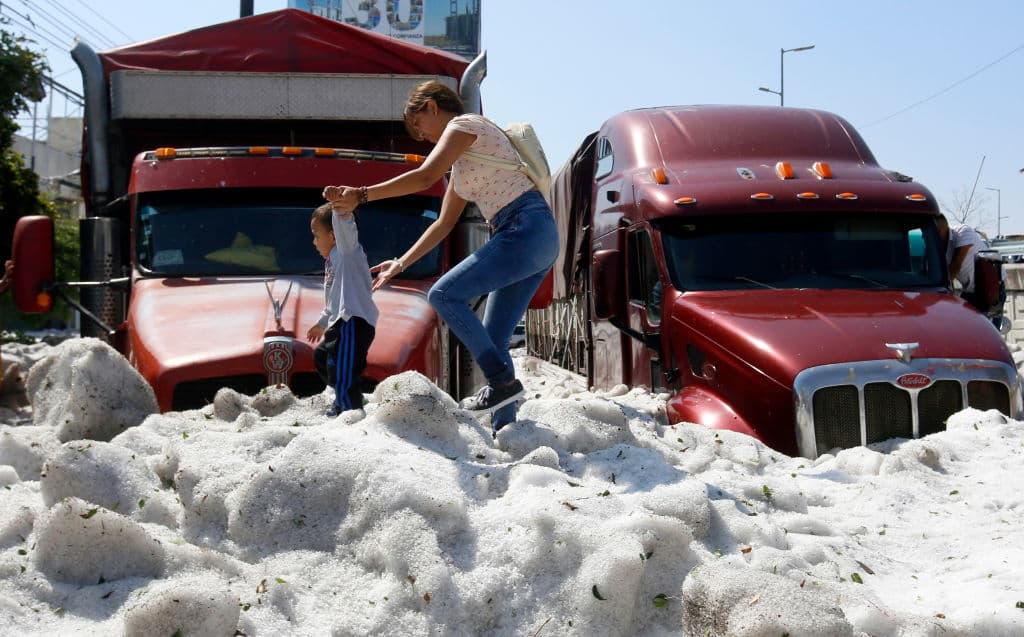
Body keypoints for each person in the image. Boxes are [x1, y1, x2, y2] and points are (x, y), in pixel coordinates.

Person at [323, 80, 559, 433]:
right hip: (533, 236)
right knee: (494, 341)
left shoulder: (464, 125)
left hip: (524, 228)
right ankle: (505, 430)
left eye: (419, 125)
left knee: (444, 294)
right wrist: (401, 262)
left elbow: (424, 176)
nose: (422, 137)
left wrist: (361, 194)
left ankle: (504, 384)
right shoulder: (463, 169)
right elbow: (443, 224)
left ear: (432, 106)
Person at [306, 203, 378, 417]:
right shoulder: (332, 261)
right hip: (339, 322)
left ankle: (347, 409)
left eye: (316, 235)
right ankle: (351, 395)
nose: (314, 241)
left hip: (353, 321)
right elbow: (333, 300)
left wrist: (340, 208)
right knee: (322, 357)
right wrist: (321, 323)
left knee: (343, 368)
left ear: (334, 235)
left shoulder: (346, 253)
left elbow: (346, 227)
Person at [935, 214, 1004, 328]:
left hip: (991, 289)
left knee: (988, 331)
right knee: (964, 329)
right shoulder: (938, 248)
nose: (924, 237)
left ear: (941, 230)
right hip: (969, 291)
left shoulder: (963, 232)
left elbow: (956, 266)